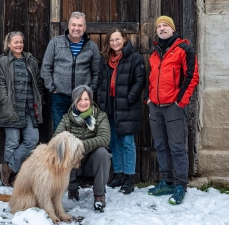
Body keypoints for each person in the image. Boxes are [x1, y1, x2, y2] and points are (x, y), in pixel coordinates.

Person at [145, 16, 199, 204]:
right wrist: (148, 99)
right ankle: (167, 181)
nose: (161, 29)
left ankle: (180, 185)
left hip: (173, 107)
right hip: (156, 107)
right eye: (159, 26)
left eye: (165, 26)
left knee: (176, 147)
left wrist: (180, 102)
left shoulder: (184, 49)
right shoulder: (154, 54)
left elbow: (192, 76)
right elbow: (150, 78)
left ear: (173, 29)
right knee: (160, 145)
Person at [97, 28, 146, 194]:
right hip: (109, 106)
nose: (115, 43)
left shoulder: (134, 58)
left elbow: (140, 81)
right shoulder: (105, 59)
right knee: (114, 143)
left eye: (117, 39)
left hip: (127, 107)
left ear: (124, 39)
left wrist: (129, 98)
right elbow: (100, 82)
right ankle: (118, 174)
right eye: (111, 40)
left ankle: (129, 177)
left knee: (127, 143)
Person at [0, 31, 44, 187]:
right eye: (15, 42)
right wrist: (5, 100)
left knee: (32, 139)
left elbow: (38, 84)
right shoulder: (3, 61)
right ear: (9, 44)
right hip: (12, 108)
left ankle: (8, 168)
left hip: (29, 108)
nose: (19, 45)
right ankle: (11, 179)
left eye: (21, 42)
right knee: (12, 142)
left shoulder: (31, 61)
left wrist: (40, 99)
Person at [53, 85, 111, 211]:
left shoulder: (100, 116)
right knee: (64, 151)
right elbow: (56, 139)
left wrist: (79, 146)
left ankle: (99, 196)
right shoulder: (67, 118)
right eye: (79, 99)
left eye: (86, 99)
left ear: (91, 100)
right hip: (72, 165)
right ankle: (72, 189)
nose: (83, 103)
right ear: (74, 101)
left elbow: (105, 138)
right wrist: (73, 149)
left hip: (91, 164)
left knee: (103, 153)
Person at [41, 11, 101, 133]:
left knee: (82, 133)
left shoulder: (92, 47)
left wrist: (90, 90)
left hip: (82, 99)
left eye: (80, 25)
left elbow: (97, 72)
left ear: (85, 27)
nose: (76, 28)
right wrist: (52, 88)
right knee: (61, 134)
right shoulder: (55, 43)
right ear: (68, 26)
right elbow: (46, 68)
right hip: (60, 97)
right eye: (74, 25)